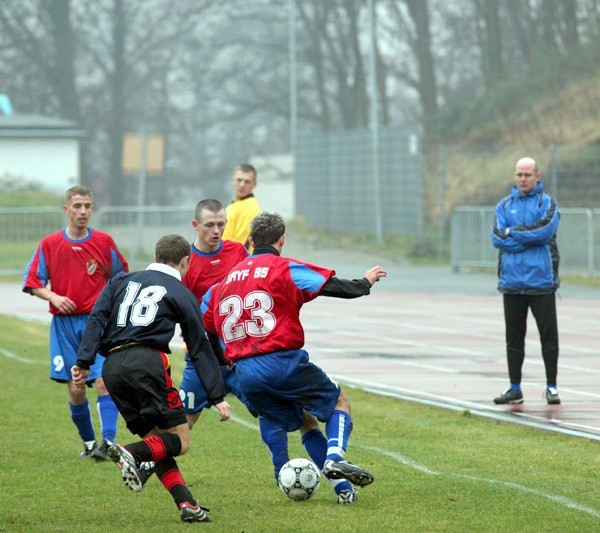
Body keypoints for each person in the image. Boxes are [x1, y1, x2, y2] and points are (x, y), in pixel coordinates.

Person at [202, 212, 387, 504]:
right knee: (339, 402)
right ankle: (335, 457)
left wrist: (224, 361)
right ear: (282, 240)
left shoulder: (223, 283)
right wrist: (364, 283)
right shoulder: (283, 267)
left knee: (305, 421)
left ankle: (342, 491)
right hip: (282, 361)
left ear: (250, 241)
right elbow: (330, 286)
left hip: (245, 373)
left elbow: (207, 327)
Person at [71, 234, 231, 523]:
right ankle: (129, 453)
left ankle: (187, 506)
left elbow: (97, 318)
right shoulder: (181, 292)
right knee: (180, 441)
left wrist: (83, 361)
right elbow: (199, 345)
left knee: (157, 442)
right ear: (185, 262)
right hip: (147, 364)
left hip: (112, 367)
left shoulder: (121, 281)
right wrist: (217, 395)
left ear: (155, 258)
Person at [178, 199, 307, 484]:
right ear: (195, 225)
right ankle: (149, 462)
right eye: (210, 225)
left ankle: (282, 473)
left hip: (239, 354)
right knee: (182, 424)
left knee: (267, 407)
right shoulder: (185, 260)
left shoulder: (237, 251)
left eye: (221, 224)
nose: (216, 230)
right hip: (201, 356)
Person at [22, 185, 128, 460]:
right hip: (65, 327)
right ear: (66, 209)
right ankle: (90, 443)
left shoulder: (104, 242)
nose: (83, 212)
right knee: (77, 388)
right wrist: (54, 296)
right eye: (77, 206)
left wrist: (110, 306)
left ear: (92, 209)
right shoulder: (50, 244)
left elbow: (120, 276)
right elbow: (32, 281)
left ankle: (109, 443)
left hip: (98, 323)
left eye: (87, 206)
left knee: (104, 381)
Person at [491, 156, 561, 406]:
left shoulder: (547, 203)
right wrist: (526, 237)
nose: (523, 179)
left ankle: (551, 387)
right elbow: (498, 237)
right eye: (519, 174)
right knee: (514, 338)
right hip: (511, 283)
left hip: (541, 282)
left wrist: (515, 233)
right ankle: (515, 388)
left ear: (537, 176)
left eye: (527, 174)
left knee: (548, 337)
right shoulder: (504, 204)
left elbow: (545, 232)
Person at [222, 163, 261, 250]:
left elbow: (240, 244)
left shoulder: (250, 208)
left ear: (254, 184)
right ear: (233, 180)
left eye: (247, 181)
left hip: (235, 260)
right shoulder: (234, 205)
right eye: (239, 180)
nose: (242, 185)